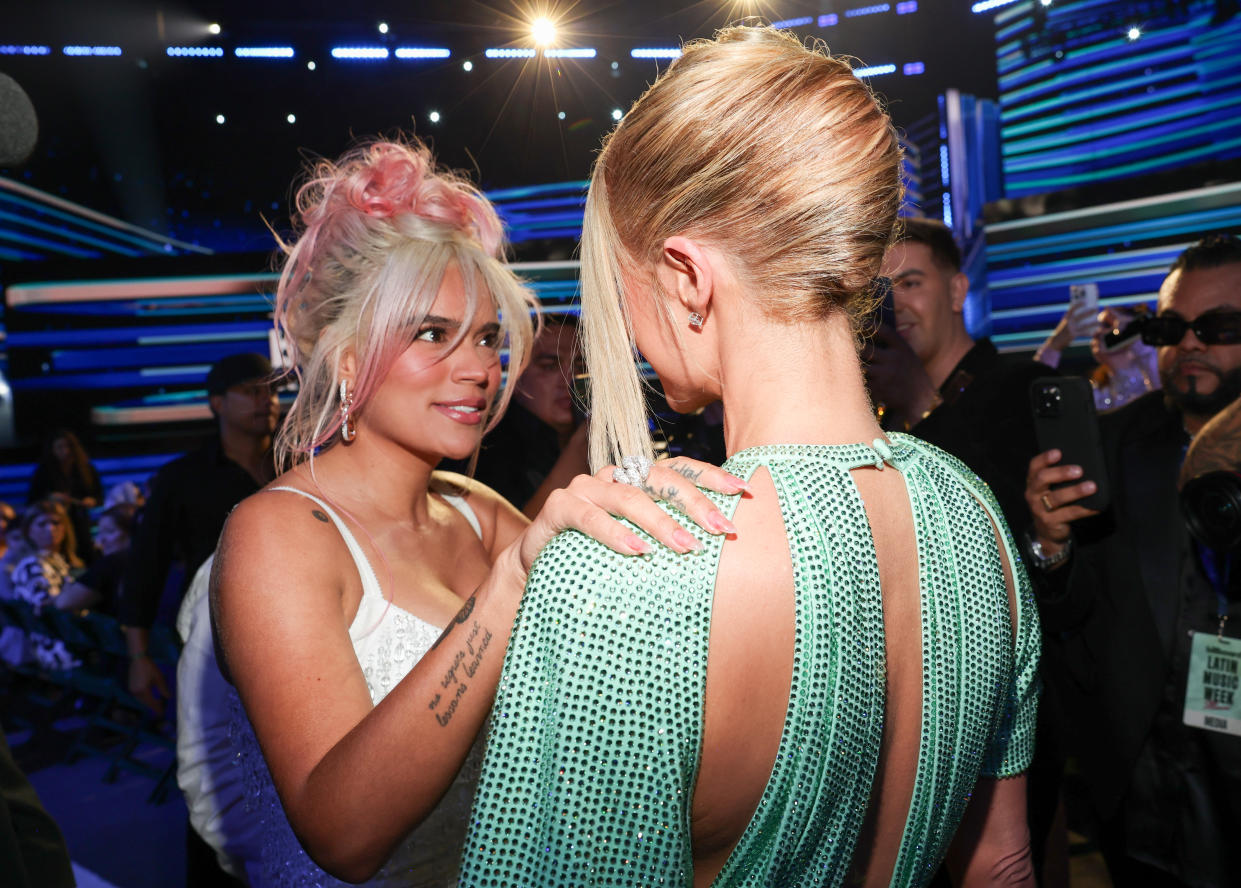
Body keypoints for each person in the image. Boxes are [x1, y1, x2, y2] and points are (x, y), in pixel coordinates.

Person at [459, 26, 1040, 887]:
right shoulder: (974, 517)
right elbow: (1002, 865)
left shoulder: (628, 571)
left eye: (622, 286)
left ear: (686, 276)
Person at [209, 138, 741, 887]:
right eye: (432, 334)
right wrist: (507, 588)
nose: (478, 369)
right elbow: (342, 833)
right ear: (349, 357)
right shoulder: (279, 535)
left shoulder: (477, 514)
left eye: (489, 338)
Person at [1025, 233, 1241, 886]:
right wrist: (1048, 543)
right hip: (1137, 794)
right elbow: (1068, 617)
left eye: (1218, 325)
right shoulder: (1113, 444)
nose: (1189, 343)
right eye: (1171, 326)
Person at [868, 217, 1055, 534]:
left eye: (911, 283)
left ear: (957, 292)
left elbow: (1015, 521)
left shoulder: (1023, 386)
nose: (896, 303)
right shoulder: (880, 408)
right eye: (882, 291)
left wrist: (922, 406)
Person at [120, 352, 279, 716]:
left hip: (304, 627)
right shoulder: (182, 478)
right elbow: (146, 565)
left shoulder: (298, 464)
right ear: (217, 402)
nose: (264, 401)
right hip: (215, 641)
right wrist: (139, 657)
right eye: (250, 392)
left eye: (270, 391)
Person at [471, 313, 589, 515]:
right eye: (551, 366)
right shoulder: (490, 448)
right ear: (518, 376)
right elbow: (511, 539)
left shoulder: (596, 437)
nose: (569, 379)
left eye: (579, 366)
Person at [1034, 303, 1159, 412]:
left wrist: (1133, 332)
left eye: (1107, 325)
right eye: (1097, 326)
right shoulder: (1096, 392)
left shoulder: (1153, 379)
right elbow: (1036, 394)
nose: (1096, 332)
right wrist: (1055, 343)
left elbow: (1161, 396)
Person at [27, 428, 102, 565]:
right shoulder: (44, 472)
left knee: (85, 553)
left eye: (68, 446)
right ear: (52, 450)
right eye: (59, 447)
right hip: (56, 518)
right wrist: (50, 498)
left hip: (80, 521)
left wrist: (92, 501)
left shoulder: (86, 469)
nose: (65, 451)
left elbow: (99, 496)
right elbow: (32, 501)